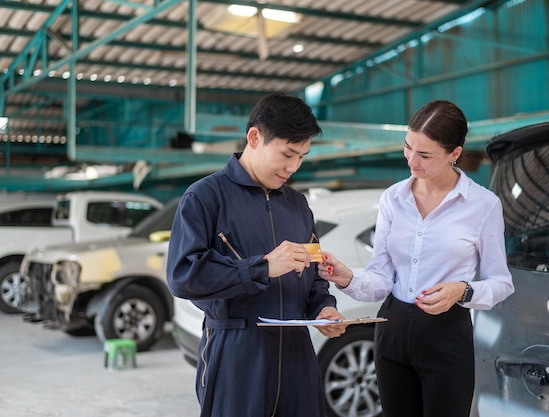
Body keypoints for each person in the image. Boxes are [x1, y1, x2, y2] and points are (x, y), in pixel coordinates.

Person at [317, 99, 515, 417]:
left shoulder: (483, 205)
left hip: (446, 335)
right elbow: (381, 278)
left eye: (425, 155)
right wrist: (348, 277)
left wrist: (463, 290)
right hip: (391, 329)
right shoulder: (393, 199)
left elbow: (501, 283)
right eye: (408, 147)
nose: (412, 161)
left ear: (455, 154)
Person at [166, 92, 346, 417]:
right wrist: (261, 268)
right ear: (254, 137)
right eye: (287, 154)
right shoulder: (206, 197)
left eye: (302, 157)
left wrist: (324, 308)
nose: (293, 167)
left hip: (296, 356)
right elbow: (183, 276)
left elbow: (314, 273)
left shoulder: (298, 205)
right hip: (236, 352)